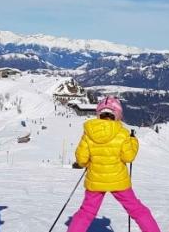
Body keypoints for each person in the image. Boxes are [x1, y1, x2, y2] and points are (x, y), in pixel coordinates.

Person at [67, 96, 161, 232]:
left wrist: (89, 163)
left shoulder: (88, 133)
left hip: (95, 180)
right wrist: (133, 142)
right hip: (119, 181)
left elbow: (81, 159)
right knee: (137, 209)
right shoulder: (122, 133)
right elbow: (128, 157)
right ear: (117, 115)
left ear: (99, 114)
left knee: (86, 212)